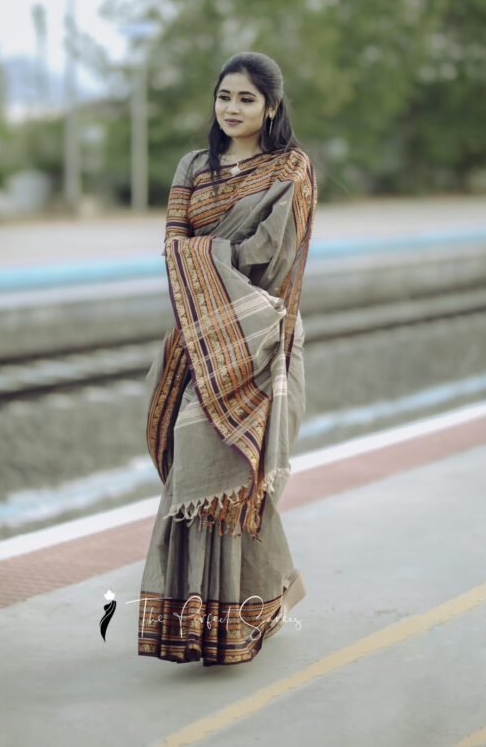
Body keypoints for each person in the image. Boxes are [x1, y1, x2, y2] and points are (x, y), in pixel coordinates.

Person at [138, 51, 318, 666]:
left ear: (271, 106)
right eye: (223, 97)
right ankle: (192, 622)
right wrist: (204, 265)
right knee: (194, 469)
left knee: (238, 479)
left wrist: (203, 260)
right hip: (196, 340)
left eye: (245, 98)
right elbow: (173, 248)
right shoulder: (194, 166)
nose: (232, 108)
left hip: (259, 337)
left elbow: (273, 255)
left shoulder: (289, 170)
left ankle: (241, 620)